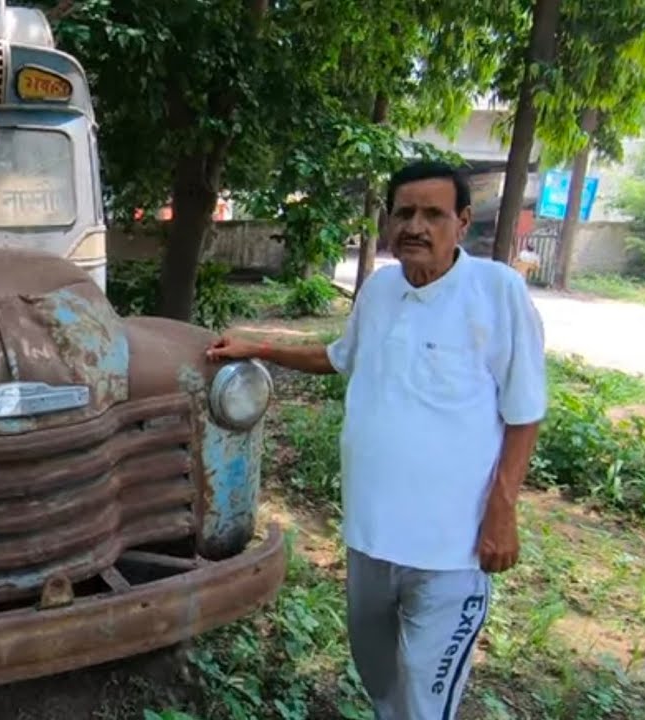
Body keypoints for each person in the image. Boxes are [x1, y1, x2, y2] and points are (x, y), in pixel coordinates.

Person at [206, 160, 547, 719]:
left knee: (422, 694)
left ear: (462, 222)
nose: (416, 225)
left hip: (450, 548)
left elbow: (524, 410)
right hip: (370, 537)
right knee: (378, 672)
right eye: (405, 212)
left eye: (433, 214)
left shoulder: (496, 292)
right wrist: (260, 347)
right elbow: (339, 358)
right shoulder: (381, 289)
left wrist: (502, 509)